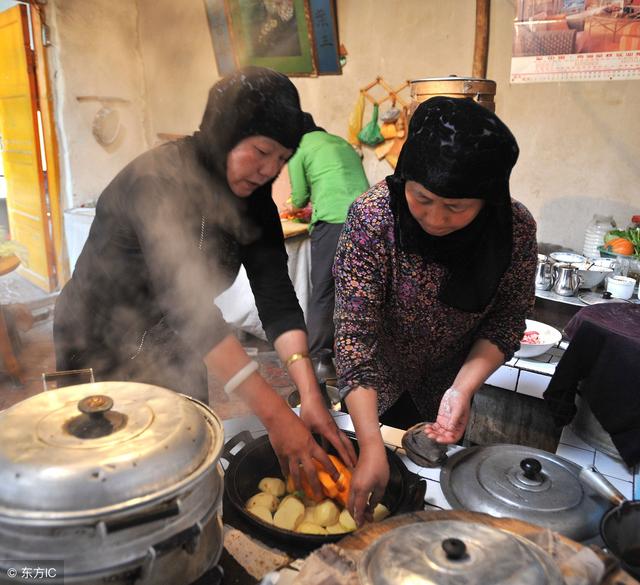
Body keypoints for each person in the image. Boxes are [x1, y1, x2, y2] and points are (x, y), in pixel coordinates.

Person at [54, 67, 356, 493]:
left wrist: (308, 393)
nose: (269, 170)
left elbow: (277, 298)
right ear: (224, 134)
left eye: (282, 160)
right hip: (96, 340)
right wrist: (274, 415)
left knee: (183, 459)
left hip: (174, 344)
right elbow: (187, 307)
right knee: (102, 475)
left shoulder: (253, 201)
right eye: (261, 151)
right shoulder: (158, 181)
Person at [333, 96, 537, 524]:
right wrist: (370, 442)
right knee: (370, 476)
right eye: (422, 197)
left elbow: (506, 319)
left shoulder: (513, 229)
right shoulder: (374, 219)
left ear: (487, 200)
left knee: (426, 493)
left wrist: (462, 389)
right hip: (374, 382)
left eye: (456, 207)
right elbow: (354, 338)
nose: (435, 218)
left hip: (451, 380)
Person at [288, 113, 369, 357]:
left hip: (333, 222)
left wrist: (297, 207)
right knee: (360, 289)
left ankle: (318, 357)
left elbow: (299, 198)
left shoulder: (299, 147)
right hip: (367, 219)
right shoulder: (341, 142)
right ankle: (358, 353)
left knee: (323, 291)